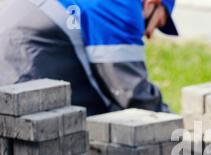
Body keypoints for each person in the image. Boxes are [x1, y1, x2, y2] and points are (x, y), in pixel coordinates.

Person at [0, 0, 178, 115]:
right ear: (150, 3)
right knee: (98, 116)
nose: (148, 33)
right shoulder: (123, 6)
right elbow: (131, 94)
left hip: (14, 50)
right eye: (156, 23)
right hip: (23, 67)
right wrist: (178, 129)